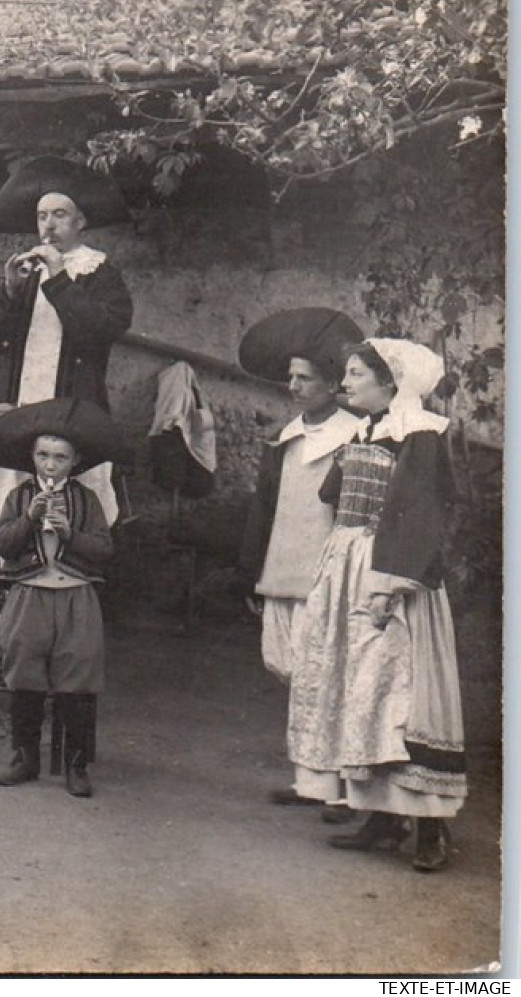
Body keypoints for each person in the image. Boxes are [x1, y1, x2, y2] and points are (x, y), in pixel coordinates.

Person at [286, 339, 465, 872]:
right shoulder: (366, 430)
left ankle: (433, 828)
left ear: (393, 382)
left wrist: (389, 585)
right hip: (350, 564)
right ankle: (384, 817)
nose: (347, 383)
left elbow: (422, 516)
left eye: (357, 373)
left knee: (404, 698)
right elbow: (332, 495)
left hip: (392, 576)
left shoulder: (422, 435)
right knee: (362, 691)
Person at [236, 308, 364, 820]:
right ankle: (310, 778)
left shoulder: (355, 438)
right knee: (292, 670)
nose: (293, 386)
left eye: (304, 378)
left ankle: (344, 788)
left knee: (331, 676)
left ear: (333, 386)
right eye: (290, 377)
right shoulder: (285, 439)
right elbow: (263, 508)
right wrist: (250, 572)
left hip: (329, 576)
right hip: (282, 570)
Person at [0, 156, 132, 537]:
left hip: (71, 408)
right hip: (20, 402)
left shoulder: (100, 273)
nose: (49, 225)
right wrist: (8, 290)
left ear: (80, 222)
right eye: (42, 216)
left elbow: (101, 330)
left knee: (72, 513)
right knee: (10, 513)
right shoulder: (27, 273)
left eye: (60, 214)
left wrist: (59, 278)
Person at [0, 397, 123, 797]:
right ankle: (25, 756)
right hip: (29, 594)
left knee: (78, 677)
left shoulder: (86, 500)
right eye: (42, 455)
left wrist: (69, 533)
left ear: (74, 461)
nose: (50, 465)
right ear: (32, 457)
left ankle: (77, 764)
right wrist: (29, 519)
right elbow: (3, 545)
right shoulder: (19, 497)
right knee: (24, 673)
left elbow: (104, 550)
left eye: (60, 457)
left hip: (76, 596)